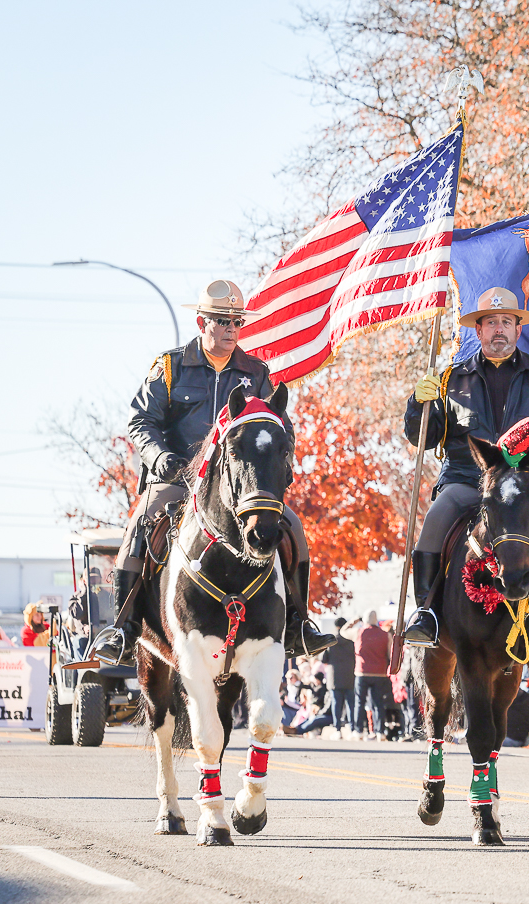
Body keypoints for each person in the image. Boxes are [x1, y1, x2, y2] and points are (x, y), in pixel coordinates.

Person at [91, 279, 335, 665]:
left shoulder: (256, 373)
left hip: (237, 487)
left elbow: (279, 427)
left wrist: (280, 463)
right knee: (138, 527)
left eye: (237, 322)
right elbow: (141, 420)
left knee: (293, 529)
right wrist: (159, 457)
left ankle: (299, 624)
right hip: (176, 480)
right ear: (202, 322)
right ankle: (123, 629)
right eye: (222, 321)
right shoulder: (170, 367)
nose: (231, 329)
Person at [401, 286, 529, 658]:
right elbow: (425, 437)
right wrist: (419, 404)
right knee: (433, 524)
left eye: (506, 322)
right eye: (491, 323)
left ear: (517, 329)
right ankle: (426, 615)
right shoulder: (451, 380)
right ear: (478, 330)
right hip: (468, 481)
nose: (499, 329)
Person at [340, 611, 394, 740]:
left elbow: (343, 631)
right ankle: (380, 731)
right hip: (380, 673)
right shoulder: (386, 635)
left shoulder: (358, 632)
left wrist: (354, 620)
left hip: (362, 672)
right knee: (378, 703)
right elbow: (390, 654)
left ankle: (358, 731)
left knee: (359, 702)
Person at [322, 618, 357, 736]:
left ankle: (337, 729)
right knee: (351, 704)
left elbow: (324, 659)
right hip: (349, 676)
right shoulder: (351, 641)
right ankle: (353, 728)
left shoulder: (331, 640)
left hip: (334, 677)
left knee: (336, 704)